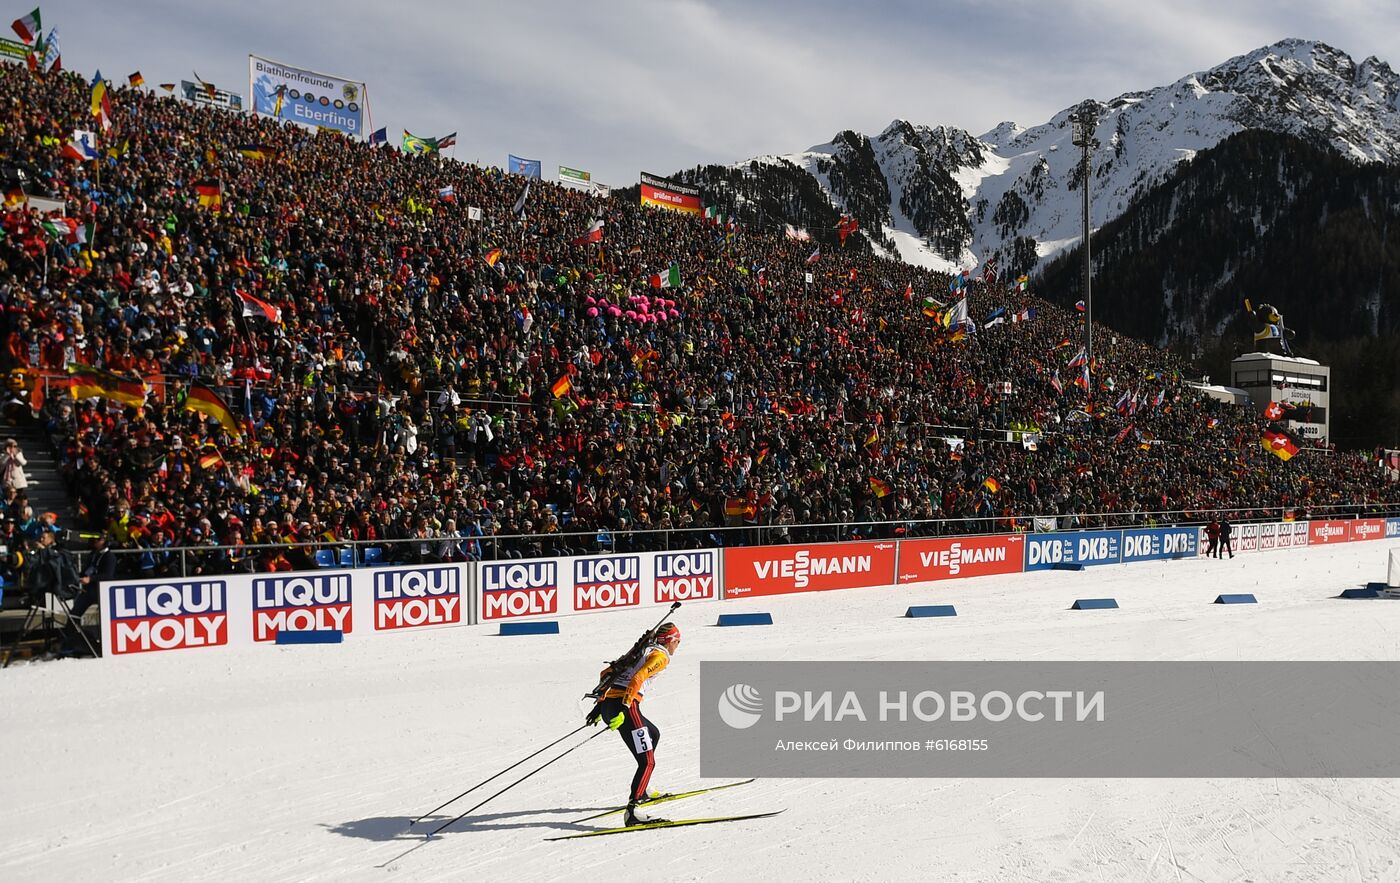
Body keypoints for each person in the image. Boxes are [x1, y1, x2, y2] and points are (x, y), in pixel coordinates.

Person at [587, 622, 682, 827]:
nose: (678, 645)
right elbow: (638, 677)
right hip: (625, 709)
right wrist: (624, 708)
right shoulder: (661, 656)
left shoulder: (640, 651)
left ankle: (643, 787)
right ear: (668, 641)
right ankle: (633, 811)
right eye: (677, 641)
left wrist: (599, 707)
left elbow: (606, 673)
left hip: (609, 706)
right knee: (647, 762)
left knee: (653, 734)